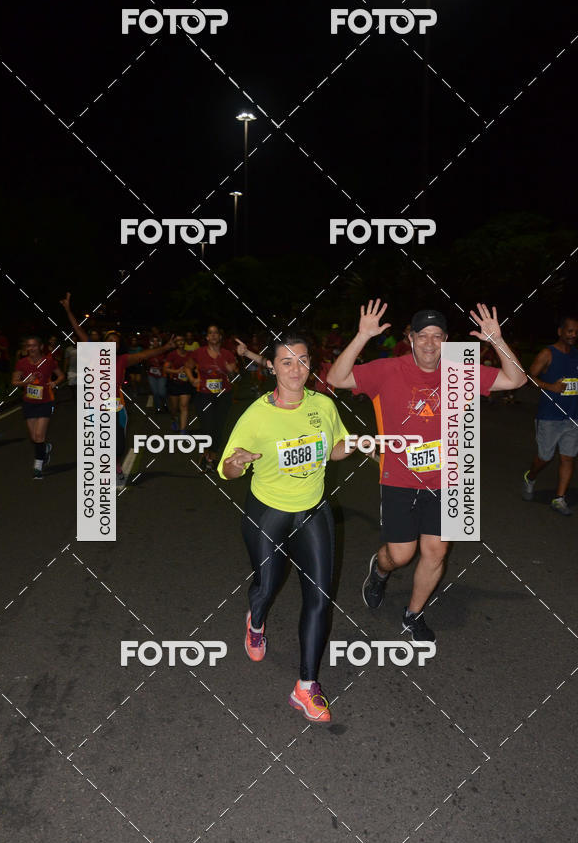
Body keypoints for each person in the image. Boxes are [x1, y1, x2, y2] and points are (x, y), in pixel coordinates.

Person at [327, 300, 527, 641]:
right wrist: (362, 336)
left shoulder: (461, 371)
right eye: (422, 335)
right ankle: (380, 570)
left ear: (446, 340)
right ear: (411, 338)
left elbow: (516, 380)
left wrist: (497, 340)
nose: (430, 343)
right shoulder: (388, 369)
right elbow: (336, 377)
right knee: (400, 555)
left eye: (437, 336)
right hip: (399, 478)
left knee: (437, 551)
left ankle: (413, 613)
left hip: (449, 479)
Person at [219, 335, 352, 722]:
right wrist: (237, 463)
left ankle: (306, 687)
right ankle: (256, 621)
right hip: (268, 513)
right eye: (287, 362)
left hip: (312, 511)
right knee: (267, 586)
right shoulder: (256, 415)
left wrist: (355, 445)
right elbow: (227, 469)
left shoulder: (323, 405)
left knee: (320, 597)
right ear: (272, 367)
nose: (296, 369)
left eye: (303, 360)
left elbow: (335, 447)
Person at [60, 294, 176, 483]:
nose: (112, 343)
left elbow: (146, 354)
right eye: (109, 340)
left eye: (116, 341)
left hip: (115, 405)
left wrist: (166, 347)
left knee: (119, 443)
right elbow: (79, 331)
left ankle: (116, 465)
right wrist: (68, 310)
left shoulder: (123, 360)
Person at [522, 316, 578, 515]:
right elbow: (528, 377)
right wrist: (550, 386)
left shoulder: (576, 355)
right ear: (560, 331)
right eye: (570, 331)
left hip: (572, 417)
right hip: (549, 417)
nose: (573, 335)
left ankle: (559, 498)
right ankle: (530, 476)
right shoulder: (548, 353)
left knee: (568, 458)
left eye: (576, 332)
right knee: (545, 457)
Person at [12, 336, 65, 479]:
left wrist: (55, 383)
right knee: (34, 437)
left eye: (34, 345)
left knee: (39, 435)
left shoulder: (49, 361)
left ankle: (38, 466)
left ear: (41, 347)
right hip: (29, 403)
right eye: (28, 346)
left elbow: (61, 376)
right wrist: (25, 382)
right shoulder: (22, 363)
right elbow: (14, 381)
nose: (31, 348)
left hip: (45, 402)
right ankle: (45, 448)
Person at [192, 325, 238, 471]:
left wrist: (230, 371)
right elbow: (187, 366)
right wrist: (192, 379)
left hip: (223, 395)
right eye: (210, 333)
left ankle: (213, 457)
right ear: (207, 337)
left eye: (216, 333)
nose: (213, 335)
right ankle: (205, 454)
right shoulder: (199, 352)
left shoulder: (227, 354)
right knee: (206, 426)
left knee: (218, 427)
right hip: (204, 395)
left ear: (220, 336)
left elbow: (233, 375)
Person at [164, 335, 196, 432]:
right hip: (174, 384)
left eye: (182, 340)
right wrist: (177, 371)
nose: (180, 342)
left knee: (184, 406)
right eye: (178, 341)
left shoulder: (190, 354)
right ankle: (174, 419)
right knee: (174, 408)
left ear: (185, 341)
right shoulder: (172, 355)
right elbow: (165, 369)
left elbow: (195, 366)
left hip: (186, 384)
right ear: (175, 343)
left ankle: (183, 430)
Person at [146, 334, 167, 412]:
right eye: (153, 341)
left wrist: (161, 365)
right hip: (151, 375)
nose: (155, 342)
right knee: (155, 392)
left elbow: (167, 362)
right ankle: (158, 408)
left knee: (162, 392)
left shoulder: (163, 351)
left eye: (157, 341)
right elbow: (144, 362)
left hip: (161, 374)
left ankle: (165, 404)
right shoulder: (148, 351)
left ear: (159, 342)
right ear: (151, 342)